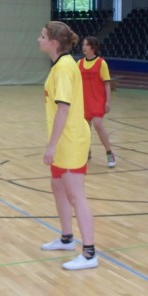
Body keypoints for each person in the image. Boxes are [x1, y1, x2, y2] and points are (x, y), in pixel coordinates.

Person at [38, 21, 97, 270]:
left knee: (75, 195)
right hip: (63, 141)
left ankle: (90, 253)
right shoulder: (60, 65)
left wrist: (51, 145)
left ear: (54, 42)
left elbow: (63, 108)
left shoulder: (63, 68)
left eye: (42, 36)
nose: (38, 39)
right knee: (58, 187)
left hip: (70, 141)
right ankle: (66, 238)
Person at [78, 36, 116, 168]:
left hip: (98, 100)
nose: (84, 47)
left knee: (98, 124)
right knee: (86, 129)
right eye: (83, 45)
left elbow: (107, 83)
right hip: (84, 100)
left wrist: (108, 102)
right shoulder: (79, 63)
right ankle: (86, 152)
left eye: (86, 45)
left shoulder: (101, 63)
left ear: (93, 47)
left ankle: (109, 153)